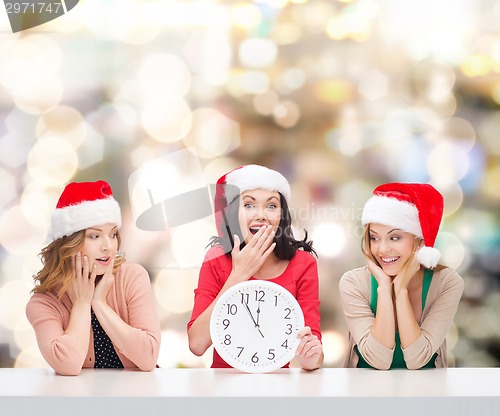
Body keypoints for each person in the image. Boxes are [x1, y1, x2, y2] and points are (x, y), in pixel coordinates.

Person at [188, 164, 323, 370]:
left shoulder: (302, 263)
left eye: (271, 206)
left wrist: (311, 356)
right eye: (249, 205)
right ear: (234, 213)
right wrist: (239, 275)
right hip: (223, 384)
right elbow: (197, 344)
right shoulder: (216, 258)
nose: (261, 215)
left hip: (279, 386)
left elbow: (313, 351)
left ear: (281, 215)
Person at [26, 180, 161, 376]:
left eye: (113, 234)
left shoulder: (131, 278)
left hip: (136, 398)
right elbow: (68, 365)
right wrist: (82, 303)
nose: (108, 246)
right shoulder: (44, 303)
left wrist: (99, 304)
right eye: (94, 236)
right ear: (69, 243)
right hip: (80, 403)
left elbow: (148, 357)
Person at [339, 182, 464, 370]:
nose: (382, 249)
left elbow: (417, 359)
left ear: (420, 240)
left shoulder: (446, 282)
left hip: (425, 394)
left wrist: (401, 290)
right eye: (374, 237)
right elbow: (378, 360)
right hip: (365, 394)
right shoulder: (353, 283)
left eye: (395, 237)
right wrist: (383, 287)